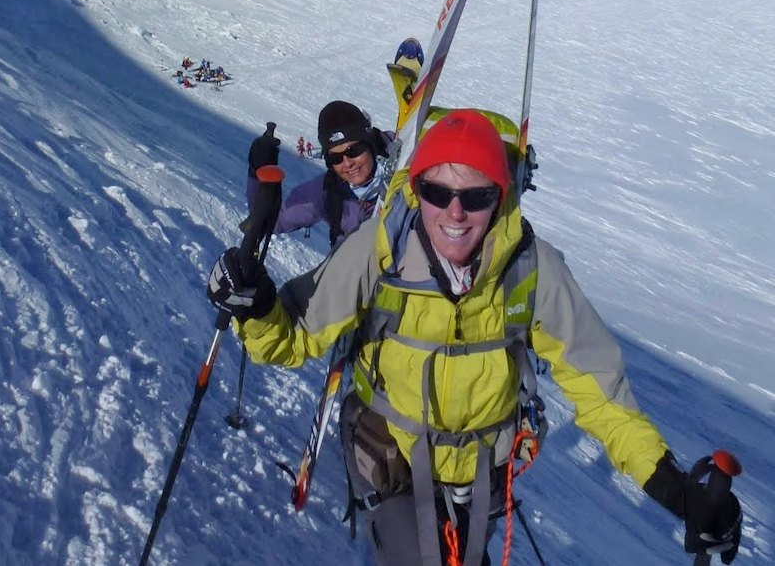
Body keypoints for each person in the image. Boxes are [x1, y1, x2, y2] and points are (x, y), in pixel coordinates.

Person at [213, 110, 742, 566]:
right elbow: (289, 338)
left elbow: (600, 394)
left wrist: (672, 487)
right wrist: (258, 305)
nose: (456, 212)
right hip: (393, 457)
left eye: (477, 194)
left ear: (502, 196)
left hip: (482, 476)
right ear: (417, 192)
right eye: (437, 191)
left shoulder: (531, 269)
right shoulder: (381, 249)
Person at [247, 102, 392, 250]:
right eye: (335, 158)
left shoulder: (403, 158)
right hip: (355, 269)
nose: (347, 163)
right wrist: (258, 172)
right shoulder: (329, 190)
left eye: (353, 151)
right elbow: (271, 222)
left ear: (370, 143)